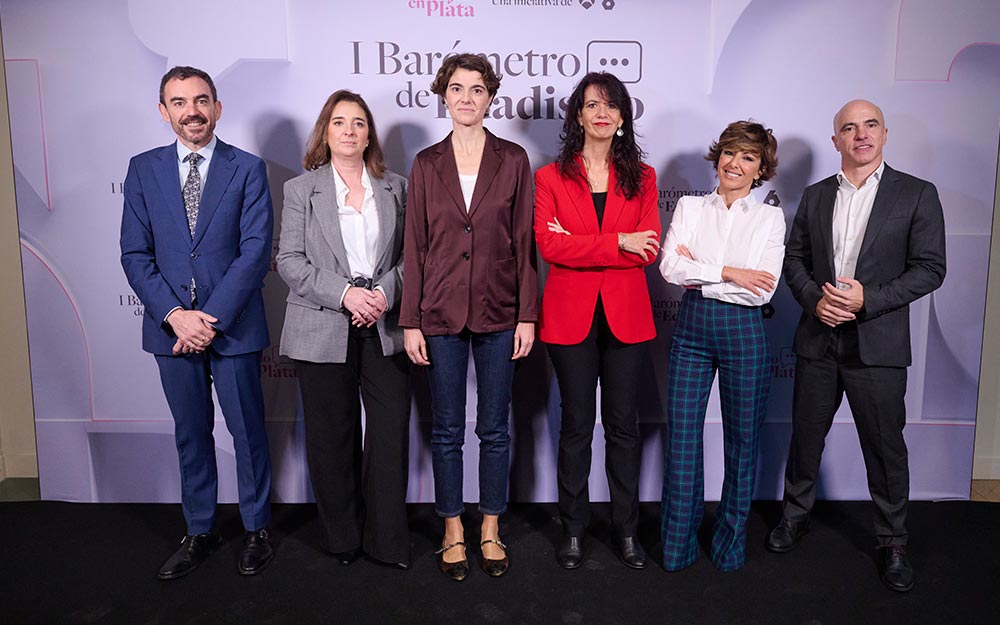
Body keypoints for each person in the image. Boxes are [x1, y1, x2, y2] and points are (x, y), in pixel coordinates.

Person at [767, 100, 946, 592]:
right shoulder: (816, 194)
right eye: (849, 128)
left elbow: (931, 268)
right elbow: (795, 260)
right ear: (836, 141)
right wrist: (812, 303)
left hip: (879, 346)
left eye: (870, 125)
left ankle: (892, 541)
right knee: (805, 438)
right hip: (818, 340)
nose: (860, 134)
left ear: (885, 134)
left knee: (886, 449)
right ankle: (795, 516)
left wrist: (870, 301)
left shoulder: (917, 194)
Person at [120, 66, 274, 579]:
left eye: (202, 100)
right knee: (192, 433)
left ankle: (256, 529)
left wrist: (209, 319)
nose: (193, 111)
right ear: (163, 112)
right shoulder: (142, 170)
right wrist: (176, 317)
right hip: (172, 332)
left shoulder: (248, 167)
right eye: (180, 102)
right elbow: (134, 254)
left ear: (218, 107)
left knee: (248, 431)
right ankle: (200, 529)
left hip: (232, 325)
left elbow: (254, 252)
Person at [400, 53, 538, 581]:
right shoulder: (425, 162)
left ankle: (490, 528)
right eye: (456, 89)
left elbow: (524, 242)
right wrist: (410, 320)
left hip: (501, 310)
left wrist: (527, 315)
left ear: (489, 96)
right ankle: (453, 528)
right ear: (443, 95)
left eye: (476, 89)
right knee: (447, 430)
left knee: (495, 428)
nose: (466, 98)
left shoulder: (515, 159)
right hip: (438, 309)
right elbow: (415, 246)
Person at [276, 91, 411, 570]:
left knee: (389, 436)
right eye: (339, 122)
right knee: (332, 437)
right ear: (325, 132)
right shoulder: (300, 190)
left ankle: (388, 541)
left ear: (369, 132)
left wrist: (382, 296)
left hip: (386, 325)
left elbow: (411, 258)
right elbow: (289, 260)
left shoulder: (398, 187)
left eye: (358, 122)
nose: (349, 130)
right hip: (322, 324)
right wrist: (346, 294)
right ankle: (342, 540)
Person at [535, 72, 660, 571]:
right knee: (576, 427)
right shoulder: (549, 177)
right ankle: (573, 530)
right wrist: (616, 243)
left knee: (624, 428)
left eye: (611, 105)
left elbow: (647, 249)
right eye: (591, 105)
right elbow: (549, 246)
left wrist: (588, 246)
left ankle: (627, 531)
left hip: (626, 317)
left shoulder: (644, 178)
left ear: (624, 117)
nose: (601, 113)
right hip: (570, 319)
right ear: (578, 116)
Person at [658, 121, 784, 572]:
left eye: (748, 157)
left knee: (743, 442)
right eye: (730, 153)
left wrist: (704, 270)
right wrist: (731, 272)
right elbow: (671, 269)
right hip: (691, 330)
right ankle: (677, 546)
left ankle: (730, 546)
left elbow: (762, 291)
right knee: (683, 440)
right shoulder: (691, 207)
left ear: (760, 169)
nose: (735, 163)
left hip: (744, 332)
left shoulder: (770, 217)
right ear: (718, 157)